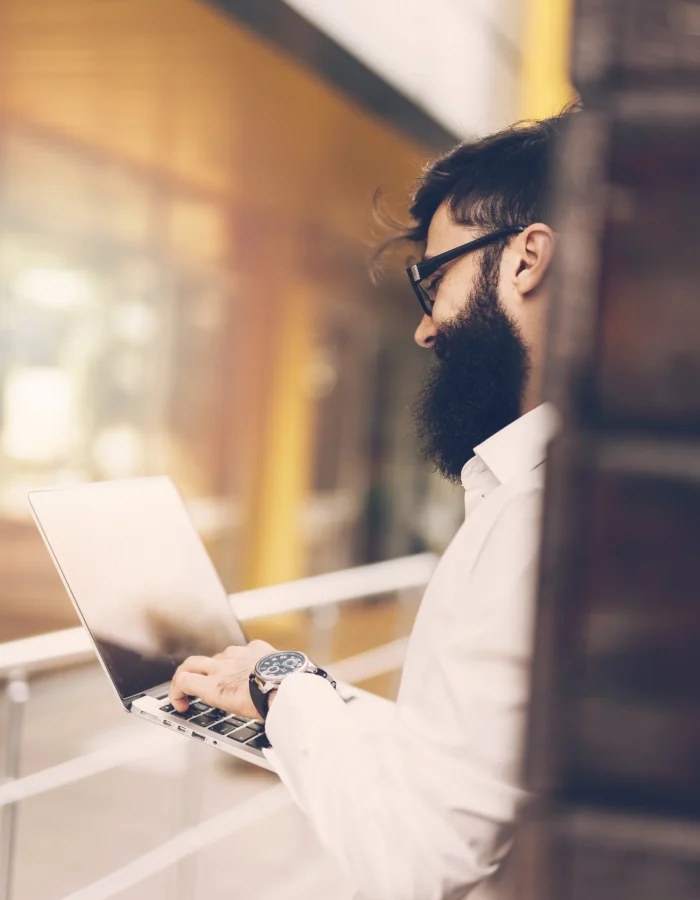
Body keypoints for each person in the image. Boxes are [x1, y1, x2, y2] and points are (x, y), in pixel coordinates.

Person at [169, 109, 572, 900]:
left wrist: (283, 684)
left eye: (435, 278)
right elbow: (472, 772)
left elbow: (420, 859)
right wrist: (286, 693)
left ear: (527, 258)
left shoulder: (538, 514)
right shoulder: (565, 492)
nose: (425, 328)